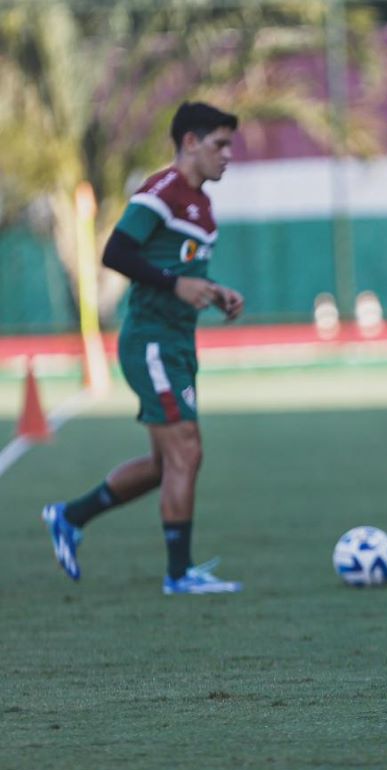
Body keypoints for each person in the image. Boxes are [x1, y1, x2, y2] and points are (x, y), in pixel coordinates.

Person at [42, 101, 244, 595]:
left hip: (176, 343)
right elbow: (116, 251)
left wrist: (212, 290)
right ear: (190, 143)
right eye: (219, 144)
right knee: (187, 452)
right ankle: (179, 575)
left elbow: (176, 267)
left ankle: (70, 516)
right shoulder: (162, 191)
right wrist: (176, 286)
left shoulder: (201, 203)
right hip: (152, 341)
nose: (227, 155)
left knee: (164, 464)